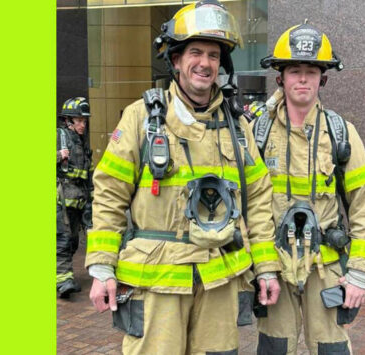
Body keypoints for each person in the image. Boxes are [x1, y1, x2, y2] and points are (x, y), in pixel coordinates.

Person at [84, 1, 281, 354]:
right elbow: (110, 194)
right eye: (195, 52)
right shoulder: (140, 118)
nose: (204, 63)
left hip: (219, 283)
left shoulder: (238, 128)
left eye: (213, 55)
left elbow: (260, 200)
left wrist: (266, 268)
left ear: (222, 64)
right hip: (158, 286)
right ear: (175, 59)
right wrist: (101, 267)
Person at [251, 22, 365, 354]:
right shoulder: (257, 132)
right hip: (274, 268)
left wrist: (359, 274)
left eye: (312, 70)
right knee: (274, 349)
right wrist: (260, 267)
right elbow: (246, 204)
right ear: (280, 77)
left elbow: (364, 202)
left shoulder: (341, 132)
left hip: (326, 269)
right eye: (295, 70)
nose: (303, 79)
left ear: (323, 77)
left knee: (331, 349)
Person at [57, 96, 93, 298]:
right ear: (68, 121)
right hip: (60, 199)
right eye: (79, 120)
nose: (83, 124)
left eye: (84, 121)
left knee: (72, 241)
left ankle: (61, 274)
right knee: (62, 239)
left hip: (78, 201)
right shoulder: (58, 137)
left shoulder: (82, 143)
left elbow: (87, 173)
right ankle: (64, 282)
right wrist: (57, 156)